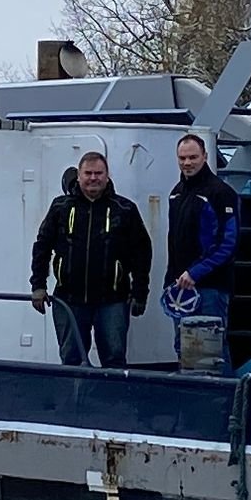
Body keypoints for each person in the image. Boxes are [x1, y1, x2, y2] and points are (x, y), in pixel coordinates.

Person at [28, 149, 149, 368]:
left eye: (98, 173)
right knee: (71, 360)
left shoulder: (125, 209)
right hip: (69, 301)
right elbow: (42, 247)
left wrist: (140, 292)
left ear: (107, 175)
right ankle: (74, 402)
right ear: (80, 175)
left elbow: (142, 253)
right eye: (88, 173)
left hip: (112, 302)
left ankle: (112, 403)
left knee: (114, 360)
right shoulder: (60, 207)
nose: (93, 178)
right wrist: (38, 285)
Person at [159, 131, 241, 339]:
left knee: (212, 351)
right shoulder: (176, 193)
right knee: (184, 349)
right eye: (182, 158)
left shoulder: (221, 193)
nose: (187, 163)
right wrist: (171, 279)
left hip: (210, 288)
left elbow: (227, 243)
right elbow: (173, 241)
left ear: (204, 156)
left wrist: (195, 272)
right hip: (180, 286)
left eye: (193, 157)